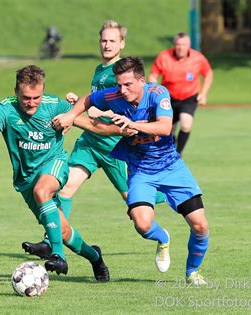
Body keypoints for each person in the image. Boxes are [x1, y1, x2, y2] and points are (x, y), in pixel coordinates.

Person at [52, 57, 210, 285]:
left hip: (171, 167)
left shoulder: (158, 93)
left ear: (142, 81)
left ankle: (192, 272)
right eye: (119, 84)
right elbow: (88, 99)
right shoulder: (114, 96)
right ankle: (163, 238)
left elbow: (165, 127)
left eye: (128, 85)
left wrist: (132, 124)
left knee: (200, 225)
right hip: (141, 171)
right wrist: (70, 116)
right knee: (143, 225)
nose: (122, 90)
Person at [0, 65, 133, 282]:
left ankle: (57, 255)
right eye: (26, 98)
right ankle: (95, 257)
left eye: (36, 97)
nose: (31, 103)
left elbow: (91, 125)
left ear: (43, 91)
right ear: (16, 91)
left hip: (54, 164)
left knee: (43, 190)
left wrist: (122, 130)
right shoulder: (5, 108)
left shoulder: (54, 106)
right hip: (25, 180)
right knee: (64, 232)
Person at [22, 20, 165, 261]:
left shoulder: (122, 75)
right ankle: (51, 241)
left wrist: (101, 114)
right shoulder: (100, 69)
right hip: (90, 142)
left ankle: (161, 237)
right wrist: (77, 106)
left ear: (122, 43)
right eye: (103, 40)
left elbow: (131, 108)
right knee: (64, 189)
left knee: (137, 210)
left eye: (112, 41)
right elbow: (96, 102)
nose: (107, 45)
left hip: (115, 148)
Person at [148, 32, 213, 154]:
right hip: (168, 98)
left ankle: (178, 154)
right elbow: (153, 75)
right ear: (174, 45)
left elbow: (208, 74)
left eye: (183, 45)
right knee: (168, 129)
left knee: (186, 123)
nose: (180, 47)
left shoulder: (198, 58)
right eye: (177, 44)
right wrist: (155, 90)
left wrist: (203, 93)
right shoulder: (164, 56)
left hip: (189, 97)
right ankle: (170, 152)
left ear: (188, 45)